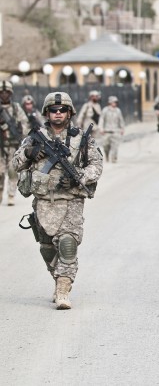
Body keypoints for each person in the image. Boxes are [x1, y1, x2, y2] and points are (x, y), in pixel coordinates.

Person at [12, 91, 103, 310]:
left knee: (67, 244)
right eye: (54, 110)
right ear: (47, 112)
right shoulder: (34, 137)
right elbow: (16, 163)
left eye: (63, 110)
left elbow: (96, 166)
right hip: (44, 201)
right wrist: (31, 153)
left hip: (71, 200)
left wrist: (79, 177)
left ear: (70, 112)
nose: (58, 114)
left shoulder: (82, 138)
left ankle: (63, 290)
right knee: (47, 248)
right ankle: (58, 277)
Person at [0, 80, 28, 206]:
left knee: (12, 171)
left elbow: (24, 123)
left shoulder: (16, 108)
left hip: (13, 146)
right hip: (0, 146)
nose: (4, 94)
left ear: (10, 93)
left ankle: (11, 194)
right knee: (0, 172)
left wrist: (21, 133)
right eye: (2, 92)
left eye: (7, 92)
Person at [98, 96, 125, 163]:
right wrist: (101, 128)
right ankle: (107, 155)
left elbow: (121, 120)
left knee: (115, 146)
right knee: (105, 146)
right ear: (110, 102)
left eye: (116, 102)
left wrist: (122, 128)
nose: (115, 103)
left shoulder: (118, 110)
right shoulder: (105, 110)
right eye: (114, 102)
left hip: (115, 131)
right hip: (107, 131)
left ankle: (114, 159)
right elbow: (101, 119)